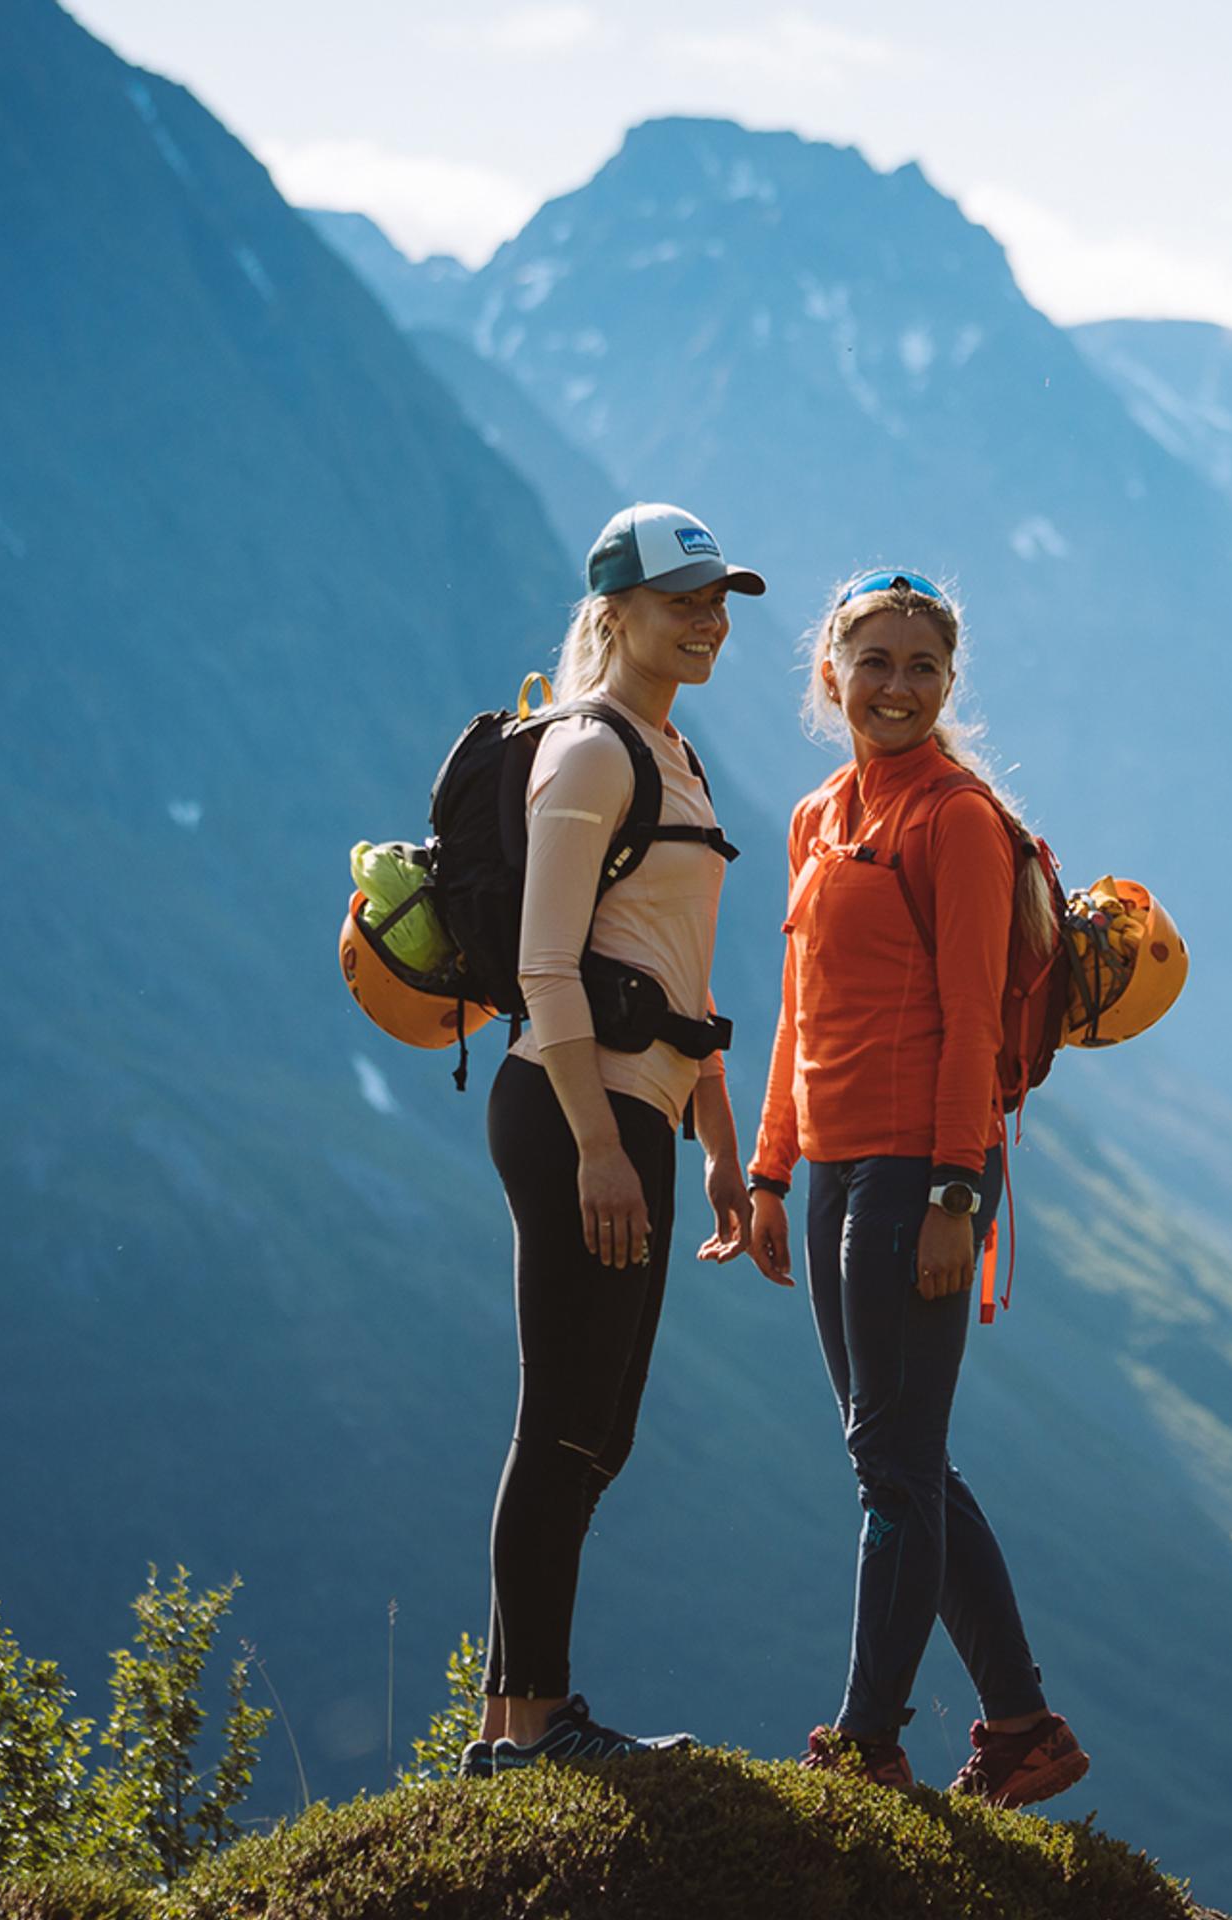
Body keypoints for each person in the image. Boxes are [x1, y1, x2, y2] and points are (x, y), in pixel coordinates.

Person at [742, 568, 1093, 1807]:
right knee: (904, 1462)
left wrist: (955, 1194)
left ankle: (864, 1744)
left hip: (919, 1171)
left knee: (892, 1467)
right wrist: (773, 1170)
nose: (895, 687)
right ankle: (1022, 1729)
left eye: (921, 668)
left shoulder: (954, 817)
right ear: (829, 675)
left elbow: (963, 1020)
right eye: (873, 663)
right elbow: (797, 1010)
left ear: (949, 685)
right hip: (834, 1171)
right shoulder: (815, 815)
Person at [462, 504, 768, 1772]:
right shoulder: (590, 753)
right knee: (565, 1418)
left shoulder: (674, 755)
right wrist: (597, 1142)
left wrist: (718, 1143)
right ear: (615, 612)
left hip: (634, 1109)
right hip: (569, 1106)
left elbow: (676, 975)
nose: (709, 620)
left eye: (720, 602)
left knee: (601, 1424)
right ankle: (531, 1726)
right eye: (685, 599)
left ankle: (515, 1720)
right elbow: (548, 965)